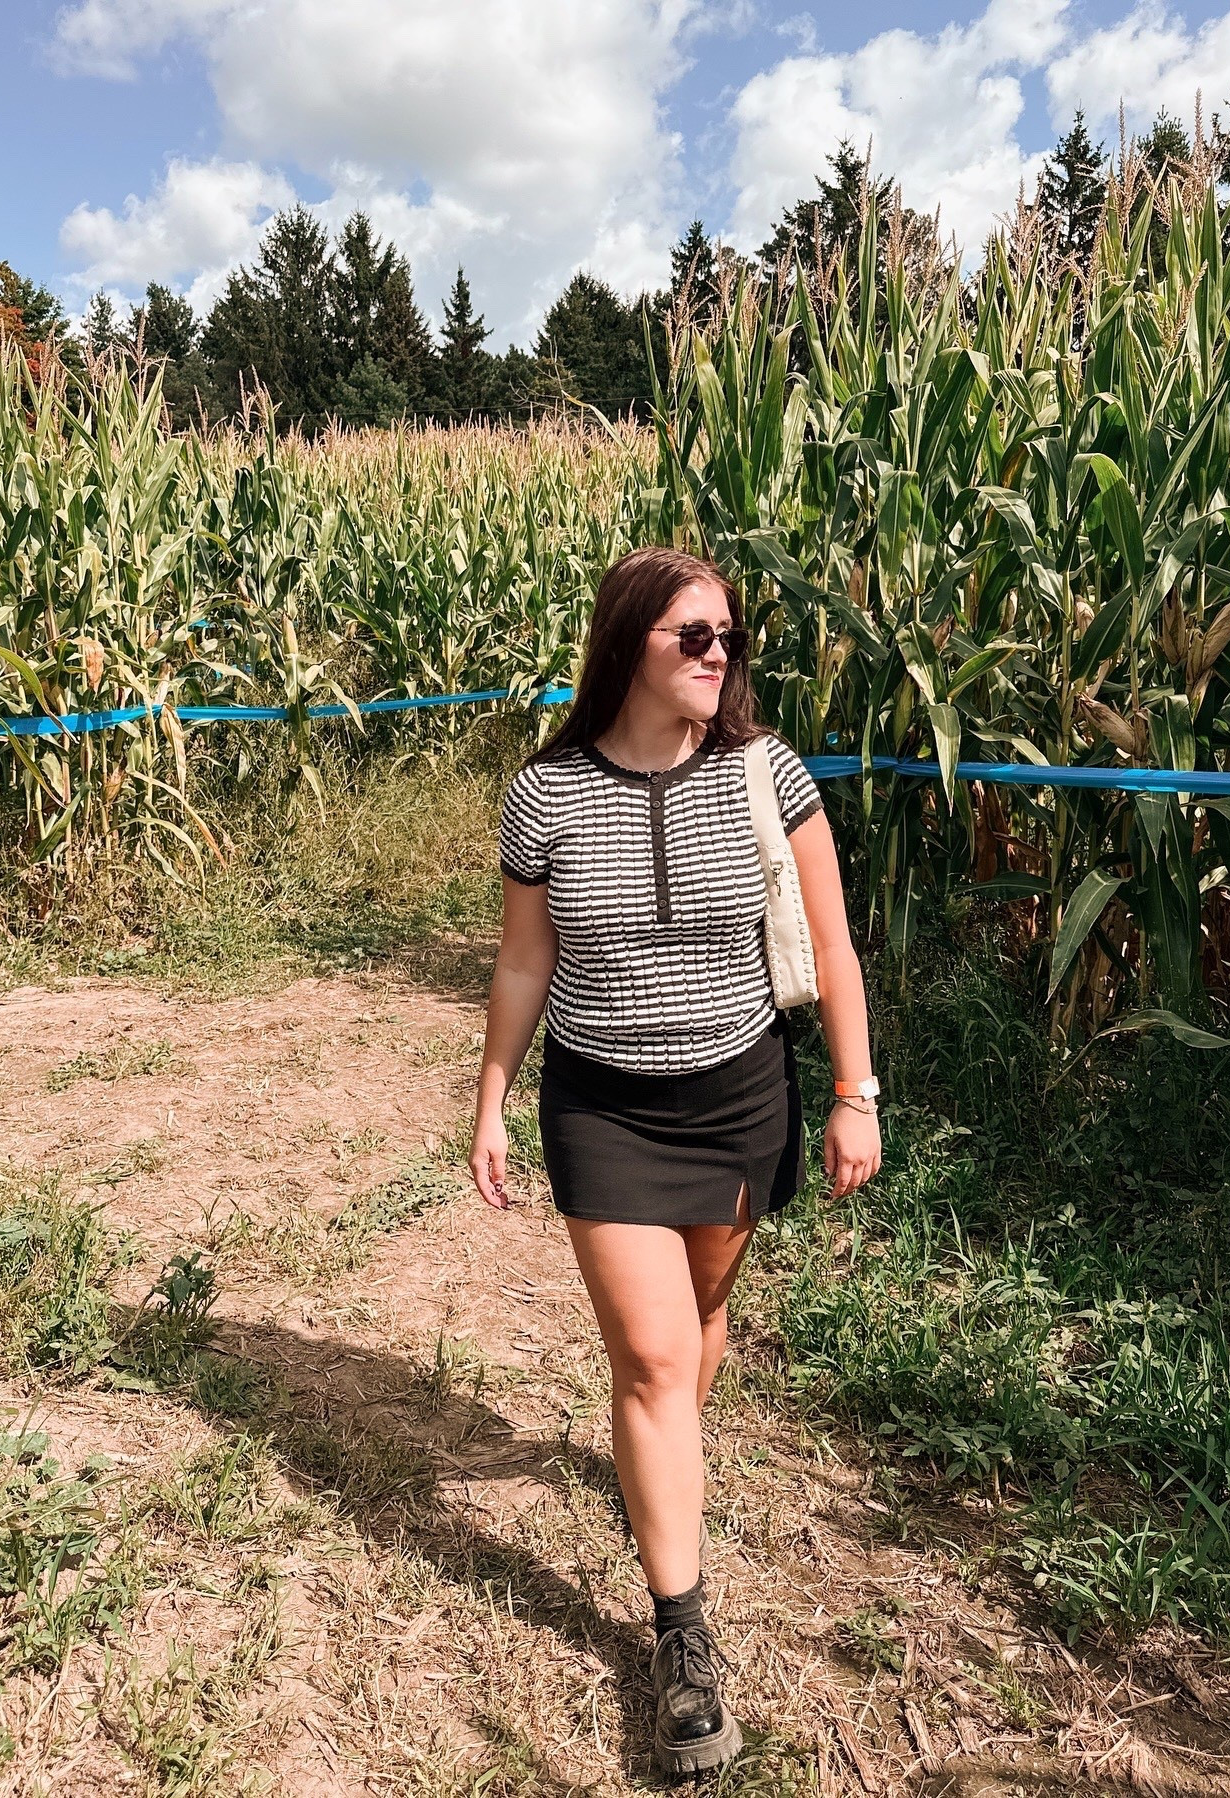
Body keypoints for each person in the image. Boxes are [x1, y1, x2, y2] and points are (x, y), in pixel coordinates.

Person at [468, 545, 881, 1774]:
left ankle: (660, 1468)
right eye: (693, 634)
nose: (719, 654)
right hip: (600, 1105)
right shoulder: (544, 796)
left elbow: (835, 945)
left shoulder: (767, 772)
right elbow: (522, 961)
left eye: (730, 637)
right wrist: (491, 1096)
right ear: (627, 644)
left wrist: (855, 1094)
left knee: (699, 1315)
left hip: (740, 1095)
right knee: (650, 1351)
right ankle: (683, 1637)